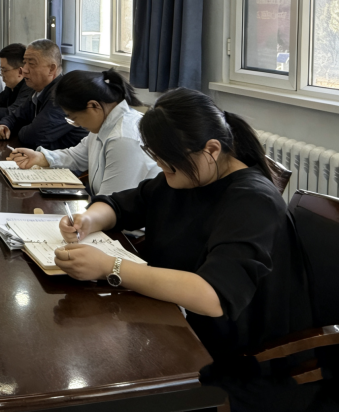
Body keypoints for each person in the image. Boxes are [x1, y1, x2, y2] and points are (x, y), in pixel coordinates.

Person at [53, 88, 309, 360]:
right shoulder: (190, 175)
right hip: (176, 317)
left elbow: (213, 295)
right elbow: (122, 205)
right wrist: (88, 219)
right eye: (156, 157)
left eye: (169, 162)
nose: (161, 167)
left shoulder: (253, 201)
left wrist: (110, 267)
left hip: (236, 351)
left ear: (212, 150)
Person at [7, 69, 159, 197]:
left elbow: (112, 202)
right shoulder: (104, 123)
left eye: (74, 118)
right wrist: (41, 157)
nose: (77, 124)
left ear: (93, 106)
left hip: (126, 222)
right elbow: (77, 156)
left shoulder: (124, 139)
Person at [0, 39, 86, 148]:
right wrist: (3, 125)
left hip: (65, 158)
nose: (24, 70)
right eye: (24, 62)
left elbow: (32, 137)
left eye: (31, 64)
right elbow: (15, 116)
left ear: (51, 69)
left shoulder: (63, 95)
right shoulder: (37, 90)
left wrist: (20, 128)